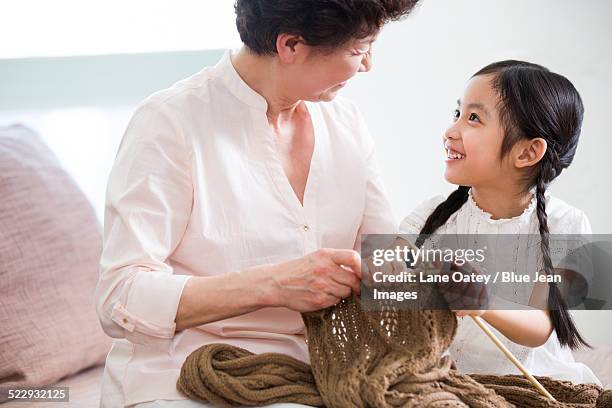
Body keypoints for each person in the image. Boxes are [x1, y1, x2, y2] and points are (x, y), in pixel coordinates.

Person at [95, 1, 420, 407]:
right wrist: (274, 284)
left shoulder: (347, 124)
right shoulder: (171, 122)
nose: (368, 65)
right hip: (185, 375)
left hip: (311, 375)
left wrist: (472, 282)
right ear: (291, 45)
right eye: (358, 50)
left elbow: (387, 259)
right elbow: (119, 299)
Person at [400, 60, 601, 385]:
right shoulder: (432, 214)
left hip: (531, 383)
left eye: (474, 118)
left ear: (526, 152)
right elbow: (384, 275)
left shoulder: (570, 225)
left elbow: (540, 327)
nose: (450, 131)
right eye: (457, 114)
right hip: (444, 382)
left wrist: (483, 300)